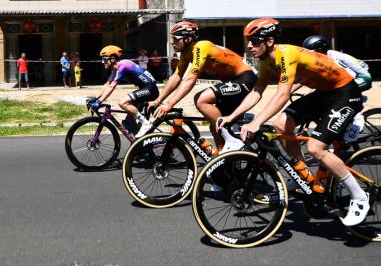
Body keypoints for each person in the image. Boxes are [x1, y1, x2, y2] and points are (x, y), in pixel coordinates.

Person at [216, 17, 369, 226]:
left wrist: (256, 122)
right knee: (281, 125)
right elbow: (257, 91)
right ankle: (303, 176)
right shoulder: (265, 61)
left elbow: (281, 94)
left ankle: (360, 197)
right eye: (248, 41)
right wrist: (231, 116)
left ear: (269, 41)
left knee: (316, 148)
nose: (249, 46)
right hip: (324, 93)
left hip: (345, 92)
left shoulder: (285, 54)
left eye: (254, 41)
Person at [148, 21, 257, 154]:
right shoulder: (185, 54)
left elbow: (190, 79)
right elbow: (176, 77)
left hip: (245, 77)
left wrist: (169, 104)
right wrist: (158, 101)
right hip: (232, 81)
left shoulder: (201, 46)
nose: (172, 42)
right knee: (214, 125)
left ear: (188, 39)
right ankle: (224, 156)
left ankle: (231, 141)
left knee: (201, 99)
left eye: (175, 38)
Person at [88, 45, 159, 137]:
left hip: (150, 89)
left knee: (122, 102)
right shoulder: (116, 69)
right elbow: (108, 84)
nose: (102, 62)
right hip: (144, 89)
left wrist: (99, 101)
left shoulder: (123, 65)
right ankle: (139, 144)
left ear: (112, 59)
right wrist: (95, 98)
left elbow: (112, 87)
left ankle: (146, 124)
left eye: (104, 59)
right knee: (129, 122)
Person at [303, 35, 372, 91]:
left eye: (311, 52)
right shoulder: (317, 59)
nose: (310, 55)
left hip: (362, 77)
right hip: (344, 80)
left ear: (321, 49)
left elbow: (363, 70)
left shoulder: (337, 56)